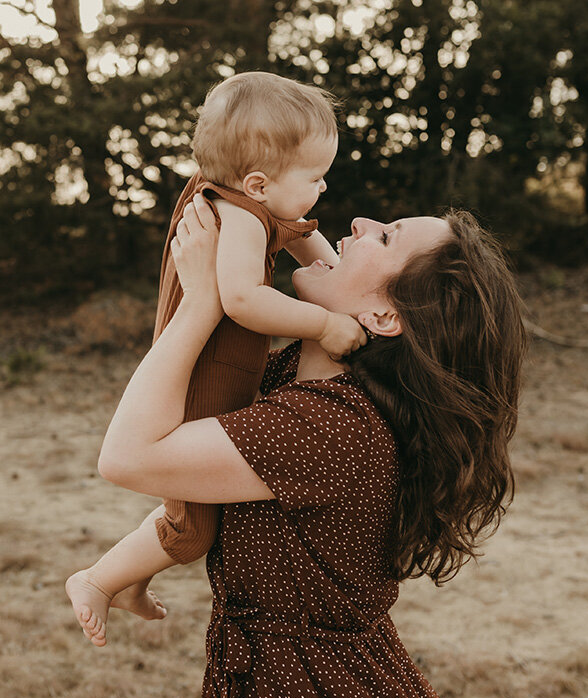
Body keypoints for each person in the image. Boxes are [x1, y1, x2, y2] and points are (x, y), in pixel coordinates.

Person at [84, 195, 558, 698]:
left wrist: (198, 303)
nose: (358, 223)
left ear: (382, 315)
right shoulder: (309, 386)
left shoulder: (328, 429)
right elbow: (201, 493)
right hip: (312, 692)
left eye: (385, 237)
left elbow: (128, 457)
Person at [67, 72, 366, 646]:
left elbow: (308, 242)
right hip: (207, 371)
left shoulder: (241, 194)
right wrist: (327, 322)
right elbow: (244, 300)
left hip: (218, 360)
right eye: (316, 177)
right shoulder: (242, 219)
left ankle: (128, 580)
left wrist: (341, 281)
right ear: (258, 182)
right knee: (196, 524)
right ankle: (98, 580)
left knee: (194, 499)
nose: (324, 190)